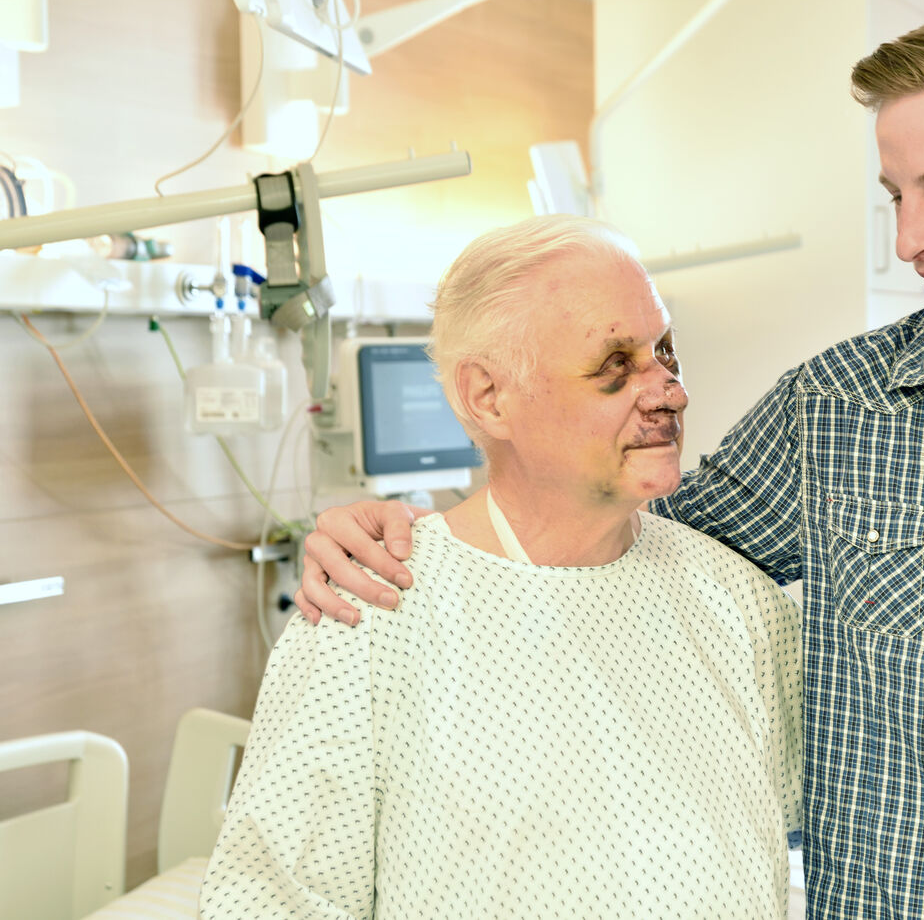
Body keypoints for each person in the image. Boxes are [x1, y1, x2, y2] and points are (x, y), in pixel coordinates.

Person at [295, 0, 924, 917]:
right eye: (897, 192)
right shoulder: (831, 412)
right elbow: (605, 538)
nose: (912, 236)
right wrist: (390, 529)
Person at [200, 216, 803, 919]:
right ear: (488, 397)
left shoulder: (737, 599)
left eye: (664, 351)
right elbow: (274, 900)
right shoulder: (368, 611)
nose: (668, 390)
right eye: (614, 364)